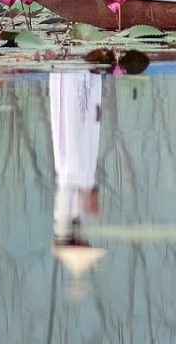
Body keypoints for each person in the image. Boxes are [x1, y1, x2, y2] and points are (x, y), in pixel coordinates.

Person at [50, 70, 105, 285]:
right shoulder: (74, 222)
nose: (86, 242)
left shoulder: (65, 220)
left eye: (84, 244)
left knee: (76, 122)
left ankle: (76, 75)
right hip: (81, 170)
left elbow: (70, 189)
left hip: (75, 168)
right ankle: (82, 75)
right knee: (86, 119)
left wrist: (85, 195)